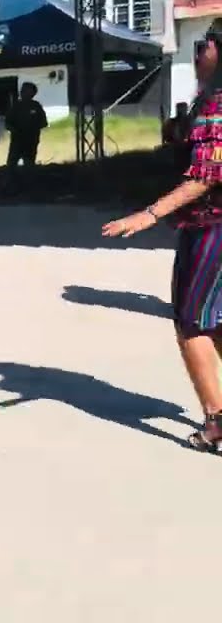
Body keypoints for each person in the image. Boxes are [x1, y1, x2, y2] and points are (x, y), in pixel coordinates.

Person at [103, 31, 222, 453]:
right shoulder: (203, 105)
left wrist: (150, 214)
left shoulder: (216, 104)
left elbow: (206, 175)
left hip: (211, 227)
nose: (198, 52)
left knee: (191, 322)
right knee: (217, 321)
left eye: (205, 45)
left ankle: (215, 423)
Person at [5, 82, 48, 173]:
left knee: (29, 165)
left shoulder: (36, 106)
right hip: (17, 141)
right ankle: (10, 184)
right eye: (22, 90)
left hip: (31, 141)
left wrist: (32, 128)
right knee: (11, 165)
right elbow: (7, 123)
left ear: (32, 93)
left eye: (25, 90)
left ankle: (28, 183)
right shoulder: (16, 106)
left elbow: (44, 123)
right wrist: (15, 130)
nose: (22, 92)